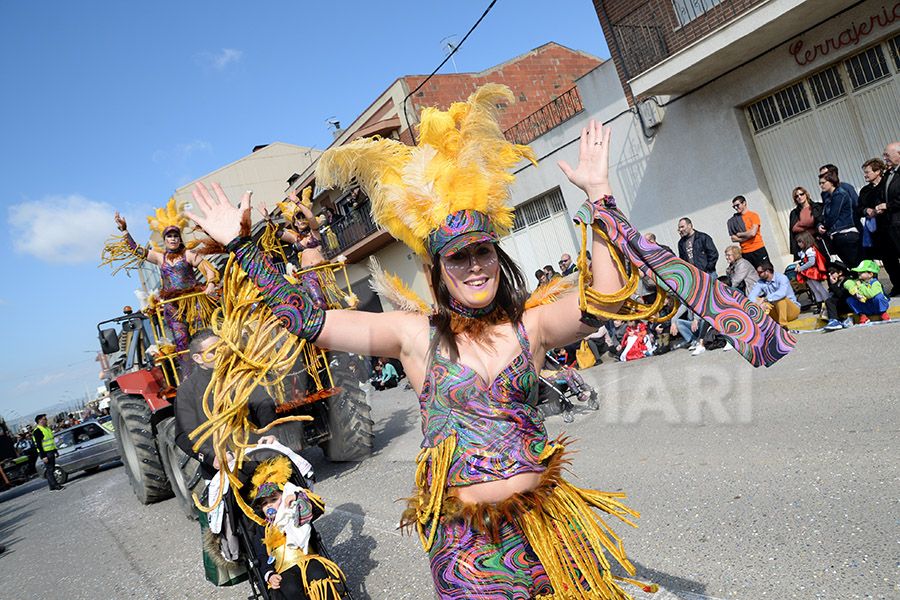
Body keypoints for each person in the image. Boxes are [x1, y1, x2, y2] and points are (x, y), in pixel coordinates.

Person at [186, 85, 789, 599]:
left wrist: (599, 198)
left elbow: (609, 299)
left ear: (496, 258)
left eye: (483, 253)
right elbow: (307, 318)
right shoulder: (413, 337)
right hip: (465, 547)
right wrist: (244, 248)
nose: (474, 267)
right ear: (436, 269)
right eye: (459, 257)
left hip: (547, 530)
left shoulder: (533, 326)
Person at [109, 199, 219, 370]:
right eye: (169, 236)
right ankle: (189, 376)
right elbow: (137, 250)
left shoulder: (188, 254)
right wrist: (125, 231)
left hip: (192, 302)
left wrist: (211, 283)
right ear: (165, 239)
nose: (173, 239)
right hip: (172, 305)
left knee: (202, 336)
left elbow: (208, 268)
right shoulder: (160, 258)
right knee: (181, 340)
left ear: (179, 238)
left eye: (176, 236)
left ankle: (212, 367)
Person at [175, 329, 277, 480]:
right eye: (214, 351)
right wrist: (211, 457)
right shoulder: (187, 390)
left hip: (257, 458)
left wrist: (270, 431)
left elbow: (263, 402)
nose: (222, 353)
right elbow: (184, 435)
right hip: (221, 472)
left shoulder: (239, 375)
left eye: (223, 347)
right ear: (198, 358)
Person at [246, 456, 346, 600]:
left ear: (283, 496)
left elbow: (317, 508)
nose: (269, 505)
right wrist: (270, 574)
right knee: (289, 588)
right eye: (264, 503)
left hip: (307, 558)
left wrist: (297, 497)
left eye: (273, 500)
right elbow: (261, 556)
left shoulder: (295, 512)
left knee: (319, 576)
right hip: (283, 569)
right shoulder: (264, 529)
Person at [857, 158, 900, 294]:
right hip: (879, 232)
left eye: (867, 172)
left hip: (893, 226)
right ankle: (897, 285)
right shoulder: (865, 191)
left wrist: (884, 208)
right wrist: (867, 211)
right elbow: (859, 209)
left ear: (878, 171)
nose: (865, 175)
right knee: (889, 261)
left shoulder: (888, 184)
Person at [818, 171, 861, 269]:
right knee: (850, 266)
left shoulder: (839, 194)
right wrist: (820, 225)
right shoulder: (829, 197)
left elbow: (833, 215)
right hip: (836, 235)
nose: (821, 185)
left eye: (823, 183)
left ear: (831, 182)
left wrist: (825, 227)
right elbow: (825, 215)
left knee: (856, 266)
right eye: (820, 183)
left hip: (845, 233)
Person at [748, 261, 801, 327]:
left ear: (767, 271)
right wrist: (759, 303)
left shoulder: (782, 278)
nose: (758, 275)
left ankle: (783, 326)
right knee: (758, 300)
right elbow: (751, 296)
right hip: (777, 312)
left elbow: (782, 293)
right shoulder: (760, 282)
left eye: (759, 272)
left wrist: (765, 299)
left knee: (780, 299)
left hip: (791, 311)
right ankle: (763, 325)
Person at [843, 259, 890, 324]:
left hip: (876, 307)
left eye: (862, 272)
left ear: (870, 274)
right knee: (850, 300)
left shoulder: (875, 283)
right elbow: (847, 283)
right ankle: (863, 315)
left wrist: (860, 286)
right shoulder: (858, 280)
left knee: (879, 297)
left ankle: (883, 313)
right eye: (858, 272)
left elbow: (870, 294)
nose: (859, 273)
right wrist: (855, 291)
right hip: (866, 307)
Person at [729, 195, 770, 268]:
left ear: (744, 203)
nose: (736, 208)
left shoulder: (753, 215)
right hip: (745, 252)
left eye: (737, 205)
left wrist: (740, 234)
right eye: (734, 206)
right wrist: (746, 237)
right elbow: (733, 238)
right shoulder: (734, 220)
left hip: (758, 249)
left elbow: (752, 233)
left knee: (765, 271)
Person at [794, 231, 830, 314]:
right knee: (814, 289)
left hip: (812, 272)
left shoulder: (810, 250)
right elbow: (804, 261)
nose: (799, 244)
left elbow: (811, 262)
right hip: (807, 272)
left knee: (818, 287)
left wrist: (801, 268)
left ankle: (828, 302)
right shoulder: (804, 251)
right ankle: (819, 305)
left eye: (800, 242)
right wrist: (799, 265)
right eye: (798, 242)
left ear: (806, 241)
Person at [788, 186, 823, 257]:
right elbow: (794, 229)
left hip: (818, 241)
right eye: (797, 196)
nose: (799, 197)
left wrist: (801, 227)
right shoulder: (794, 213)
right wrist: (809, 229)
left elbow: (819, 224)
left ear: (806, 194)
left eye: (801, 194)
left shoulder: (817, 207)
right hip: (804, 245)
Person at [32, 414, 63, 491]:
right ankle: (56, 485)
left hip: (51, 450)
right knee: (49, 470)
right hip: (46, 453)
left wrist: (55, 451)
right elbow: (39, 445)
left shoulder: (47, 429)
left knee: (51, 469)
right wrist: (43, 456)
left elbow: (51, 441)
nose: (47, 420)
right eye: (45, 419)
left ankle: (51, 487)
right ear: (40, 421)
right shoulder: (37, 431)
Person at [880, 143, 900, 263]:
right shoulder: (889, 174)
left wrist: (888, 205)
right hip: (893, 223)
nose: (885, 158)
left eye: (887, 155)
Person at [823, 263, 855, 330]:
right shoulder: (838, 282)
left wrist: (834, 285)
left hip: (850, 305)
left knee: (830, 301)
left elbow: (842, 296)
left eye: (832, 273)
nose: (830, 275)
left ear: (840, 273)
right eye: (829, 273)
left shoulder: (847, 281)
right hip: (843, 305)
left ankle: (835, 321)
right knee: (829, 301)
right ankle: (836, 319)